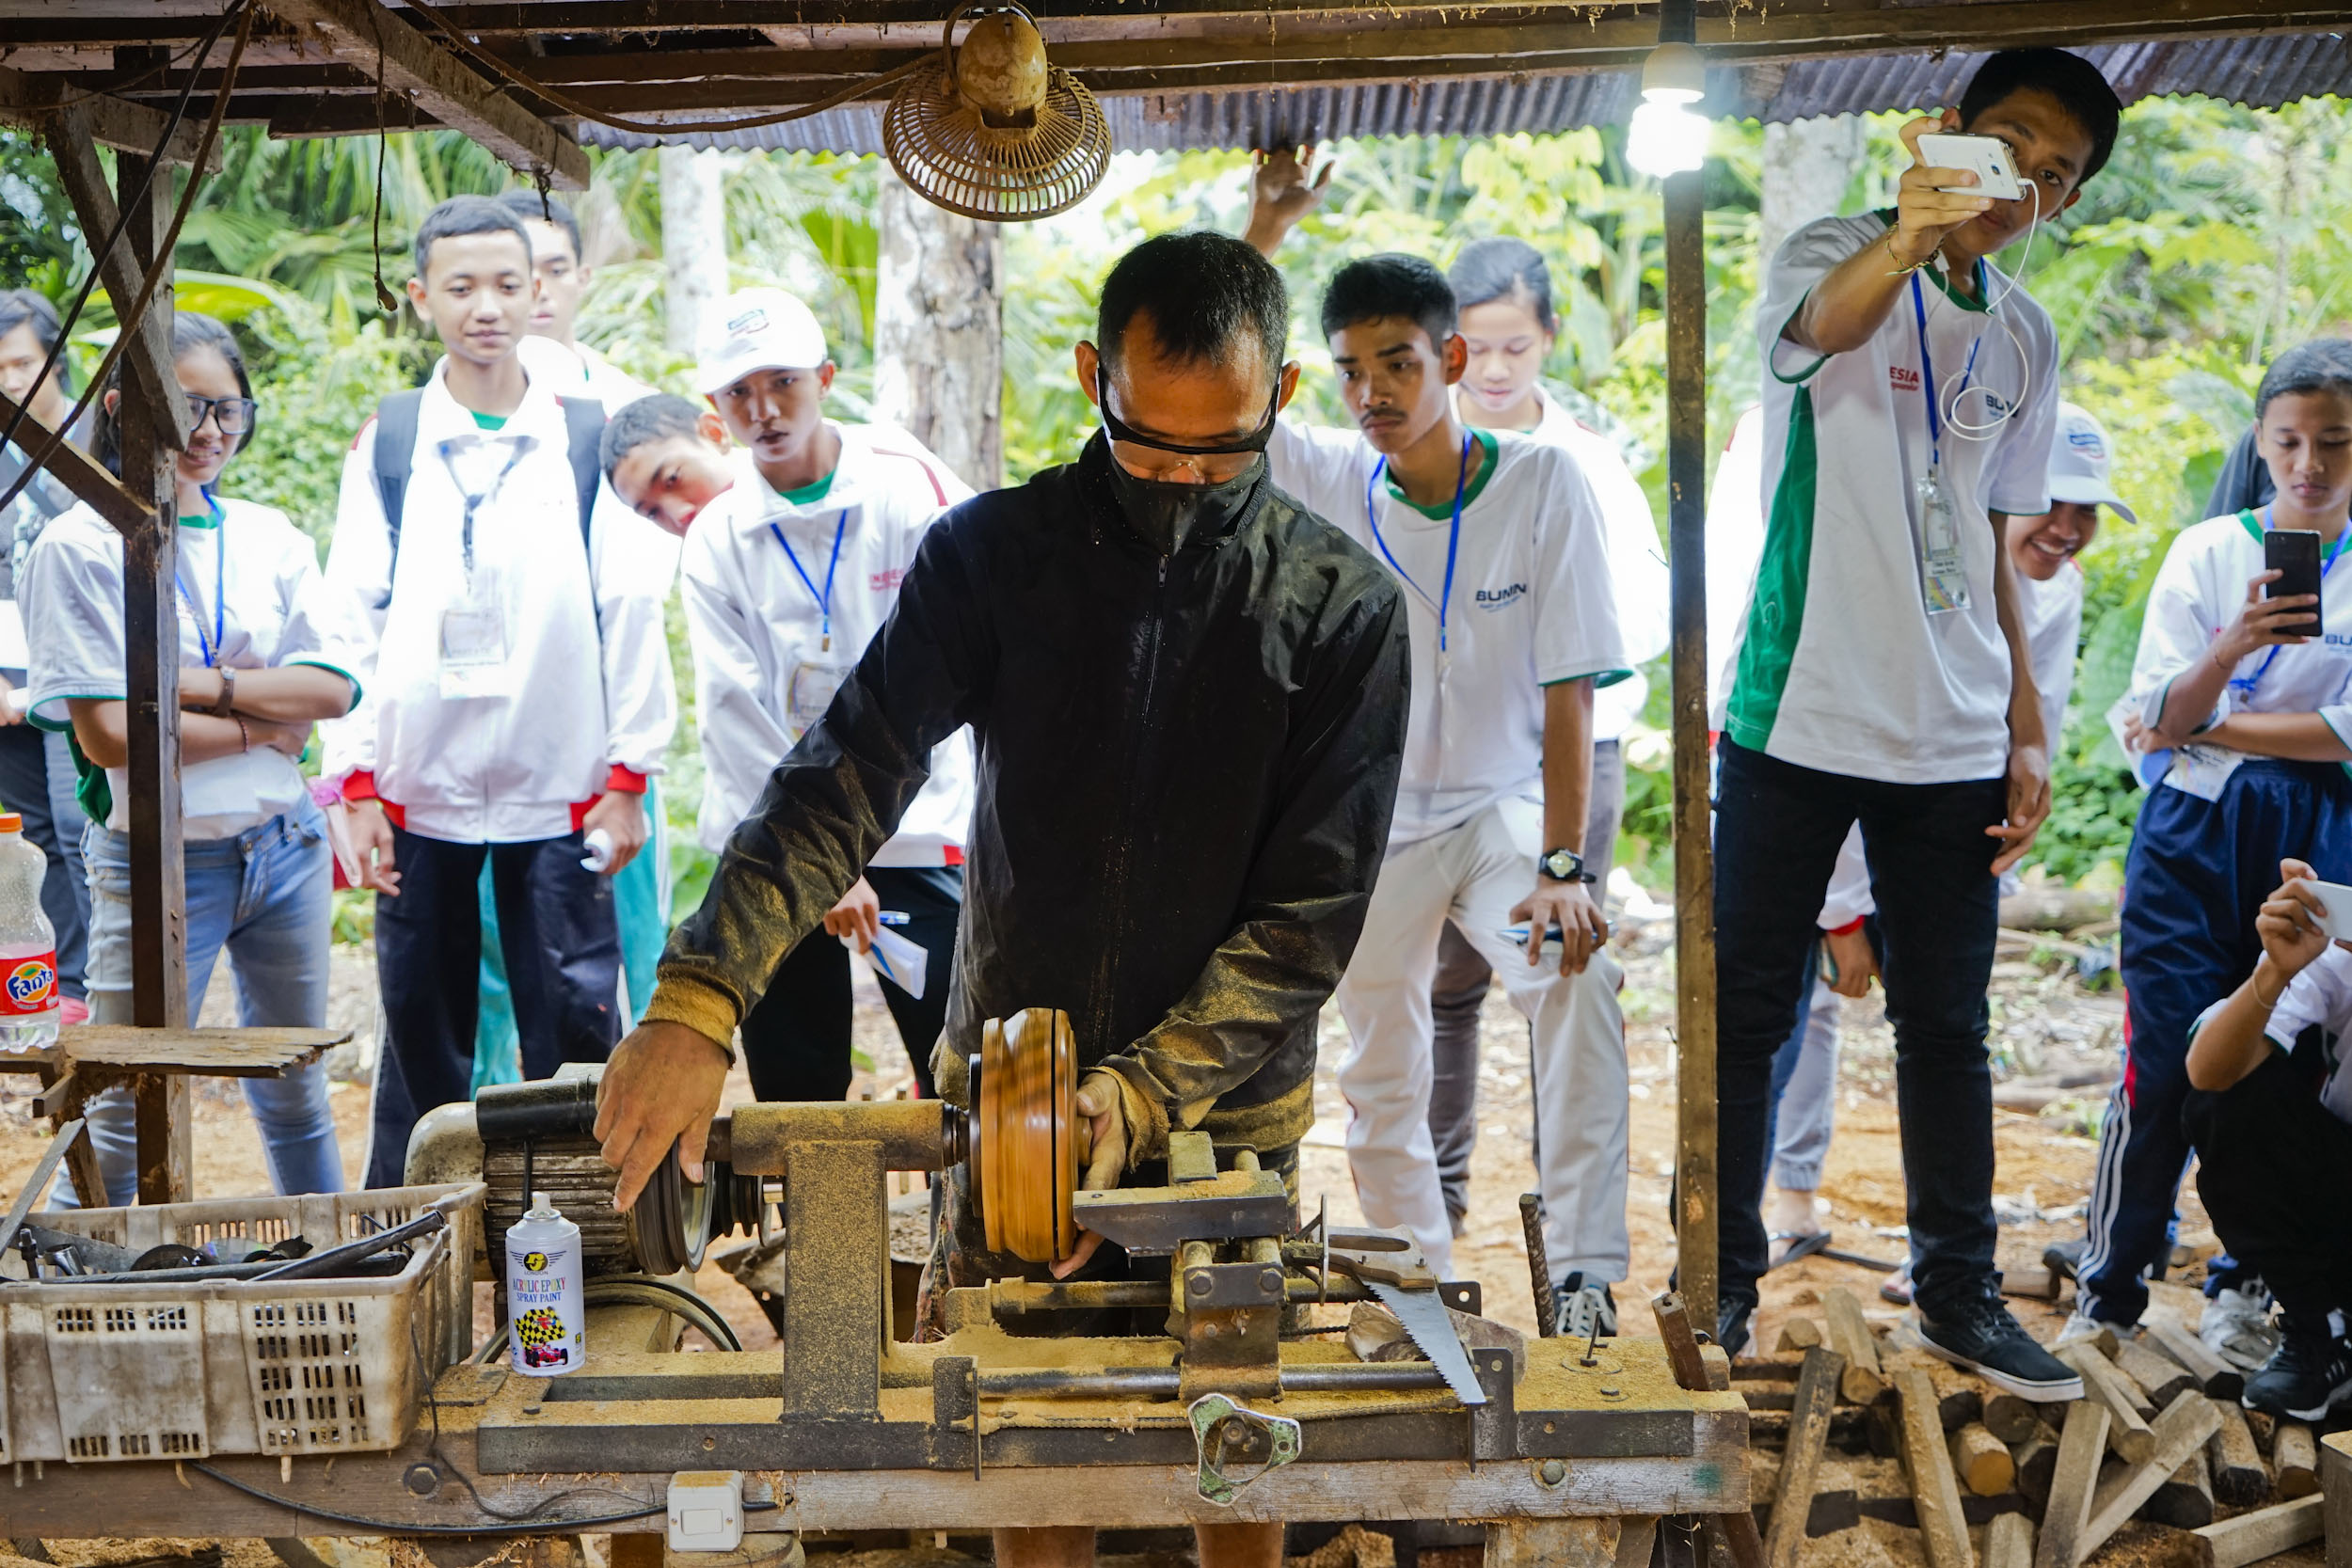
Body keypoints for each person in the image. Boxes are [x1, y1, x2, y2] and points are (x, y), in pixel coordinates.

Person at [593, 230, 1407, 1568]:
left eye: (1222, 453)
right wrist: (699, 992)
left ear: (1282, 397)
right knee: (1024, 1425)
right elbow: (842, 775)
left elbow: (1309, 913)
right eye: (1150, 446)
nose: (1184, 483)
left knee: (1232, 1425)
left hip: (1225, 1110)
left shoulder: (1341, 607)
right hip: (1016, 1087)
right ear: (1093, 378)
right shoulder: (994, 556)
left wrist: (1143, 1093)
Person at [1714, 47, 2124, 1396]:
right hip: (1799, 710)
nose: (2022, 189)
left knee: (1945, 1026)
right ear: (1949, 132)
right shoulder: (1836, 252)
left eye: (2053, 177)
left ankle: (1957, 1291)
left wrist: (2027, 721)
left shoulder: (2026, 333)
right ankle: (1719, 1283)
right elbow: (1824, 329)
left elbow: (1999, 539)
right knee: (1749, 1015)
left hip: (1952, 732)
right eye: (2008, 150)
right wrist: (1908, 232)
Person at [1239, 209, 1629, 1328]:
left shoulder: (1546, 483)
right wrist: (1264, 229)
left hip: (1504, 812)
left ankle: (1585, 1275)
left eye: (1398, 362)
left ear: (1450, 358)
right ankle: (1421, 1293)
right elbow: (1225, 376)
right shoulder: (1325, 474)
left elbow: (1572, 684)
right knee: (1378, 1068)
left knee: (1575, 975)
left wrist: (1563, 866)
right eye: (1352, 370)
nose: (1374, 391)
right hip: (1370, 828)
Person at [319, 195, 675, 1187]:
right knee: (420, 1031)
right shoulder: (391, 440)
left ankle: (589, 1231)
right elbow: (350, 618)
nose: (487, 307)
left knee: (573, 1028)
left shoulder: (585, 436)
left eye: (509, 284)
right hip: (417, 788)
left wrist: (628, 778)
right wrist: (352, 785)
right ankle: (410, 1234)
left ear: (537, 291)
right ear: (420, 295)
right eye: (462, 286)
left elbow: (629, 606)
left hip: (559, 785)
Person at [611, 287, 977, 1101]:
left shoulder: (905, 483)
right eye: (740, 392)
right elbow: (735, 713)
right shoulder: (716, 536)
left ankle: (968, 1190)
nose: (765, 409)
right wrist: (819, 857)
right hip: (778, 834)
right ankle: (813, 1191)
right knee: (794, 1081)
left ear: (825, 378)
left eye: (783, 382)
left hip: (916, 823)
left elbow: (970, 645)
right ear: (716, 412)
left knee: (964, 1067)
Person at [22, 311, 352, 1204]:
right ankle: (74, 1274)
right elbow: (111, 737)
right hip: (156, 860)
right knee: (122, 1106)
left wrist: (192, 687)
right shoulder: (79, 544)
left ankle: (333, 1262)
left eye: (228, 409)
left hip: (284, 847)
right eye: (187, 408)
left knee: (296, 1087)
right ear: (122, 408)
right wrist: (260, 724)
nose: (209, 431)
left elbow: (330, 690)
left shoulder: (271, 534)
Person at [2074, 340, 2352, 1358]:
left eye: (2334, 441)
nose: (2309, 463)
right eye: (2288, 440)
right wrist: (2232, 646)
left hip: (2317, 831)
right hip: (2192, 832)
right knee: (2162, 1057)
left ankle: (2249, 1285)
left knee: (2280, 1056)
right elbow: (2155, 711)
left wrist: (2211, 722)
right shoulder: (2205, 553)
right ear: (2260, 442)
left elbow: (2341, 734)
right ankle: (2109, 1286)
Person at [1430, 237, 1669, 1251]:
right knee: (1443, 987)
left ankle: (1564, 1231)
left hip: (1575, 753)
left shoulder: (1589, 465)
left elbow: (1638, 620)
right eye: (1473, 348)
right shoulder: (1413, 453)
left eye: (1514, 348)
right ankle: (1436, 1209)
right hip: (1449, 766)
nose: (1492, 370)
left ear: (1549, 340)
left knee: (1558, 972)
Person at [461, 189, 675, 1092]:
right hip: (481, 741)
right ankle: (477, 1140)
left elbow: (637, 598)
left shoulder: (621, 409)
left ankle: (628, 1132)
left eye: (552, 270)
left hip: (599, 744)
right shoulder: (445, 411)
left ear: (582, 276)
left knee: (622, 945)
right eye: (517, 274)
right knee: (482, 959)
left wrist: (628, 768)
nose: (536, 292)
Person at [2183, 865, 2352, 1419]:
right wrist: (2275, 971)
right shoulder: (2340, 955)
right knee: (2231, 1099)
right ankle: (2322, 1331)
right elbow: (2210, 1075)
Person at [0, 289, 93, 1020]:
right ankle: (66, 986)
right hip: (8, 673)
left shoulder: (102, 435)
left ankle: (106, 975)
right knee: (31, 838)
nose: (10, 381)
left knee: (77, 823)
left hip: (79, 667)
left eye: (22, 363)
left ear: (55, 359)